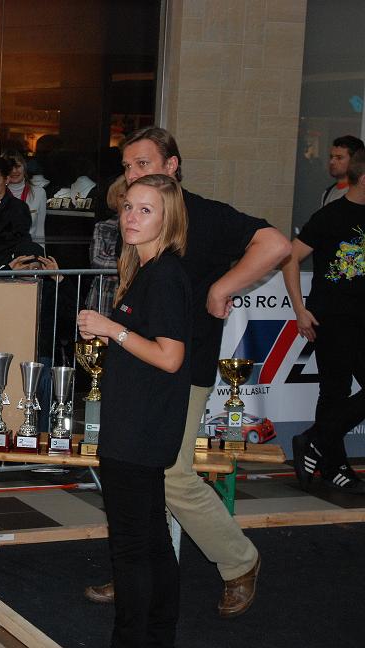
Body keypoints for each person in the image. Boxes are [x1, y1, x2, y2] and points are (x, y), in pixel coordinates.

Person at [84, 126, 290, 617]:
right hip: (145, 371)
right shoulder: (139, 228)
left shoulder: (205, 215)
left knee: (171, 473)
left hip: (183, 367)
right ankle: (136, 570)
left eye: (143, 164)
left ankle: (237, 560)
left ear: (172, 166)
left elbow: (276, 244)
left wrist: (221, 288)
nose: (133, 175)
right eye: (127, 167)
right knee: (142, 472)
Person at [78, 173, 192, 648]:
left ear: (168, 219)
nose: (132, 217)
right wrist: (113, 333)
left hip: (138, 430)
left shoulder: (163, 275)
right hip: (139, 424)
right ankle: (157, 636)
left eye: (146, 210)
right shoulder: (149, 271)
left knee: (131, 546)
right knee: (151, 540)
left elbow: (170, 356)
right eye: (128, 207)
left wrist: (112, 329)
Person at [285, 149, 365, 492]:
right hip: (331, 317)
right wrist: (299, 309)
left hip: (361, 318)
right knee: (335, 391)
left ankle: (314, 440)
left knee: (336, 394)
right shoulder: (330, 216)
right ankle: (333, 464)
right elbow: (290, 257)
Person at [85, 174, 126, 316]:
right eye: (121, 196)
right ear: (114, 199)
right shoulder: (103, 227)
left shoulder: (144, 229)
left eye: (129, 196)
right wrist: (127, 266)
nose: (125, 201)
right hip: (102, 297)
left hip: (129, 300)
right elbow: (97, 261)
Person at [1, 148, 49, 245]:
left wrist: (40, 254)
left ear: (24, 166)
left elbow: (40, 233)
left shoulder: (39, 193)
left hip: (28, 252)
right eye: (10, 167)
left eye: (18, 166)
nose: (14, 171)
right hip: (2, 252)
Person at [321, 135, 364, 207]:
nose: (331, 162)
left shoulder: (361, 194)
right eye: (331, 157)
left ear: (354, 160)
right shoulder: (327, 193)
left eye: (339, 158)